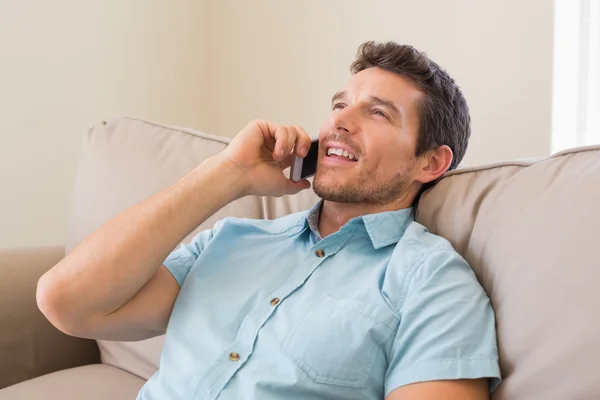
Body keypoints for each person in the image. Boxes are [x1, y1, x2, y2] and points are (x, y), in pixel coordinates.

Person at [37, 41, 501, 400]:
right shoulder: (230, 240)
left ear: (431, 163)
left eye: (377, 112)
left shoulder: (433, 282)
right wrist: (226, 174)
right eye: (340, 105)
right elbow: (68, 302)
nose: (340, 122)